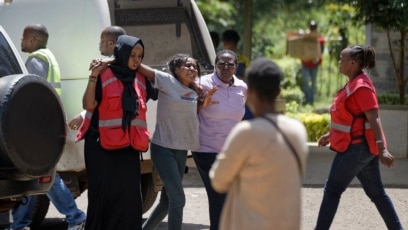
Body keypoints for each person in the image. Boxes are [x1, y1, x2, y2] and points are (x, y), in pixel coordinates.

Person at [210, 57, 308, 230]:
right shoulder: (297, 130)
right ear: (278, 91)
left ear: (249, 91)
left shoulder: (245, 132)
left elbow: (218, 181)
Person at [315, 45, 403, 230]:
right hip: (359, 148)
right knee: (377, 193)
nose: (339, 62)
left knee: (332, 190)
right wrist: (330, 135)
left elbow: (374, 118)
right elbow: (350, 118)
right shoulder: (354, 84)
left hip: (355, 149)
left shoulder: (361, 87)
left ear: (353, 63)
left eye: (342, 59)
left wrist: (383, 149)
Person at [9, 24, 86, 230]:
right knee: (34, 175)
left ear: (32, 39)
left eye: (23, 38)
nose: (21, 42)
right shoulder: (48, 56)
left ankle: (76, 217)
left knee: (45, 176)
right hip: (45, 124)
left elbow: (31, 93)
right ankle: (20, 223)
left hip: (38, 127)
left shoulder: (36, 60)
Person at [76, 35, 149, 229]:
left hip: (128, 148)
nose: (136, 60)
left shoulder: (141, 78)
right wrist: (93, 76)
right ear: (122, 52)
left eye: (140, 56)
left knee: (129, 200)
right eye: (132, 54)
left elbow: (163, 79)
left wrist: (114, 59)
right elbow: (88, 104)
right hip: (100, 147)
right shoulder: (103, 73)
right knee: (102, 198)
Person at [140, 54, 217, 230]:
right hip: (163, 148)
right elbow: (140, 67)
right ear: (175, 70)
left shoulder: (192, 90)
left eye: (194, 67)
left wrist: (203, 105)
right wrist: (114, 59)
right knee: (178, 199)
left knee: (167, 202)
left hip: (181, 150)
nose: (192, 69)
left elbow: (187, 111)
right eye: (187, 66)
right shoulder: (167, 81)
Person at [191, 49, 247, 230]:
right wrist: (200, 105)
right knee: (218, 195)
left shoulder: (242, 87)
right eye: (221, 63)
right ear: (215, 66)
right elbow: (186, 110)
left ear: (236, 67)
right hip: (206, 149)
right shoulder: (202, 84)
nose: (225, 67)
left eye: (230, 64)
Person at [68, 26, 126, 130]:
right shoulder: (130, 68)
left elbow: (89, 104)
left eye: (102, 41)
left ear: (111, 44)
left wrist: (83, 115)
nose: (99, 44)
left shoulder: (104, 70)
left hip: (108, 136)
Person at [221, 29, 253, 120]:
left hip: (240, 96)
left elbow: (248, 79)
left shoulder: (243, 61)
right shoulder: (218, 60)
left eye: (232, 45)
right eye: (228, 45)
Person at [300, 20, 325, 105]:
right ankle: (307, 99)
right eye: (311, 27)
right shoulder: (305, 37)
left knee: (313, 83)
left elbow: (321, 50)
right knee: (306, 81)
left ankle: (311, 100)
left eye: (314, 27)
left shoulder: (319, 39)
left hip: (314, 64)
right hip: (305, 63)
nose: (312, 29)